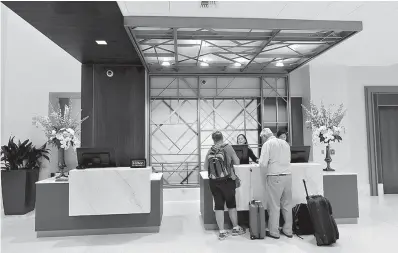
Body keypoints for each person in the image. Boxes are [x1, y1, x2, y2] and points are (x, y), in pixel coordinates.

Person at [204, 131, 246, 240]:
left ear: (213, 139)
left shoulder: (210, 150)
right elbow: (237, 162)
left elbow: (205, 167)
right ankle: (235, 228)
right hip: (227, 180)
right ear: (222, 137)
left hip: (213, 182)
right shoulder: (228, 147)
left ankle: (222, 232)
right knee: (231, 204)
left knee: (218, 206)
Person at [259, 128, 293, 239]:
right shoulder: (285, 143)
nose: (262, 141)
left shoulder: (267, 144)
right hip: (288, 176)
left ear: (264, 136)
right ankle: (288, 230)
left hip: (275, 176)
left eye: (262, 139)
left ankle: (274, 231)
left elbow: (263, 163)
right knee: (287, 204)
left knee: (274, 205)